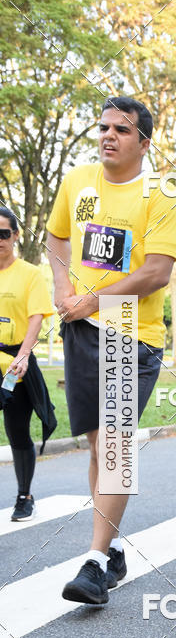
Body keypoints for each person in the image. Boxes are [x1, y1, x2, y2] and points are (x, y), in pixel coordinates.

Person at [46, 96, 176, 605]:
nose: (108, 136)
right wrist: (63, 289)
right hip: (81, 328)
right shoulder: (77, 180)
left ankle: (95, 562)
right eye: (102, 127)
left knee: (114, 448)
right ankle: (114, 547)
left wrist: (91, 299)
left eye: (121, 130)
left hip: (131, 328)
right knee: (98, 446)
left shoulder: (162, 193)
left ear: (143, 142)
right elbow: (57, 236)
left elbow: (156, 272)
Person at [0, 207, 56, 520]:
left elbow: (37, 316)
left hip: (13, 366)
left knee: (17, 430)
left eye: (4, 234)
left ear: (16, 235)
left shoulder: (30, 274)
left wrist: (23, 355)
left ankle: (24, 495)